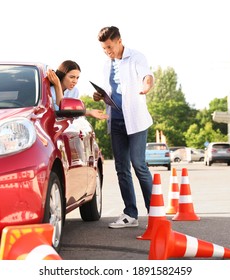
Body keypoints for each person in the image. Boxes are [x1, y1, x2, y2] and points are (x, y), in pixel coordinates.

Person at [93, 26, 154, 229]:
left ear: (119, 41)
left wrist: (146, 85)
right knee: (121, 169)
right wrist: (99, 96)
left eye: (109, 47)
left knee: (139, 165)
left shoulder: (136, 57)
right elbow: (110, 90)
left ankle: (155, 211)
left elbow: (147, 75)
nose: (108, 51)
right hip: (116, 120)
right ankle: (130, 214)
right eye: (104, 49)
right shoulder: (106, 65)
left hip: (135, 120)